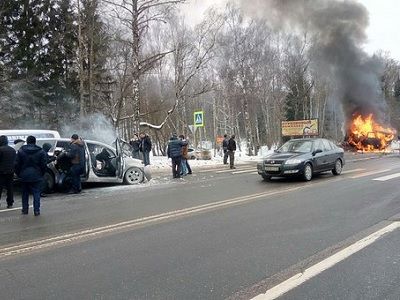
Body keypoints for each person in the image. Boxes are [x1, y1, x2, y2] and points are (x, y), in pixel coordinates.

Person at [15, 136, 46, 216]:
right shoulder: (41, 151)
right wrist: (41, 173)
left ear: (27, 142)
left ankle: (25, 210)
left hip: (24, 175)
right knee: (36, 193)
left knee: (24, 193)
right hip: (36, 175)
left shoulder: (21, 151)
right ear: (35, 142)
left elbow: (17, 164)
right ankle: (36, 211)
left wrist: (19, 173)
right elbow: (43, 165)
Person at [0, 135, 17, 208]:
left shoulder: (0, 149)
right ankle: (10, 202)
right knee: (10, 188)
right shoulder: (12, 150)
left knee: (0, 188)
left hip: (1, 172)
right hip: (10, 172)